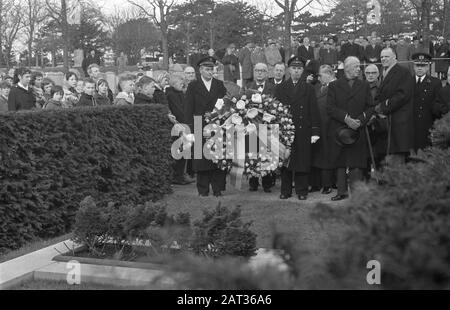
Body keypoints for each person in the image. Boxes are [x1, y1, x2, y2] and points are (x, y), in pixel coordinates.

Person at [326, 57, 375, 201]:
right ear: (347, 68)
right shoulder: (334, 86)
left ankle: (357, 193)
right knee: (340, 161)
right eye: (356, 67)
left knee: (357, 162)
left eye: (359, 67)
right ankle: (341, 191)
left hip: (358, 129)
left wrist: (360, 120)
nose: (359, 69)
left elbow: (371, 107)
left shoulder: (364, 85)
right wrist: (346, 118)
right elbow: (330, 108)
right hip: (339, 128)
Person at [275, 56, 321, 201]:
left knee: (302, 161)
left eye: (299, 68)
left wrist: (315, 131)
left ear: (302, 71)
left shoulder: (309, 88)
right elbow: (275, 110)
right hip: (285, 129)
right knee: (285, 161)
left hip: (303, 130)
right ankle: (285, 190)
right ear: (289, 70)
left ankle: (302, 190)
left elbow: (313, 110)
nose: (296, 71)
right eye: (294, 68)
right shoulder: (280, 88)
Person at [185, 56, 227, 197]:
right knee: (201, 159)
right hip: (199, 124)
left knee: (217, 157)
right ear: (200, 70)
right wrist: (189, 129)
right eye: (207, 69)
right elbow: (188, 108)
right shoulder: (193, 86)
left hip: (217, 124)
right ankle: (203, 189)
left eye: (212, 69)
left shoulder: (219, 85)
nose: (210, 72)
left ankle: (217, 188)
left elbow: (225, 105)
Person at [374, 47, 414, 165]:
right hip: (388, 125)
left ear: (394, 57)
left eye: (386, 56)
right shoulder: (384, 72)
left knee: (397, 163)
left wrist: (382, 107)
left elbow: (402, 95)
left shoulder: (403, 72)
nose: (383, 59)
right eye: (381, 57)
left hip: (398, 123)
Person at [244, 63, 276, 193]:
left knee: (267, 154)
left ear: (267, 73)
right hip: (251, 127)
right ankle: (253, 182)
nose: (259, 73)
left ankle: (267, 183)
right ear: (254, 72)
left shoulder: (273, 88)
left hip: (267, 126)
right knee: (252, 153)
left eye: (262, 71)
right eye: (257, 70)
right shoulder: (248, 87)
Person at [411, 53, 448, 151]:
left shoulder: (435, 83)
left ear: (428, 67)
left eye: (423, 66)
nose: (420, 68)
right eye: (417, 65)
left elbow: (437, 105)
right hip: (410, 126)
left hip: (427, 126)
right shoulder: (407, 82)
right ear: (413, 66)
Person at [309, 65, 336, 195]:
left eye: (320, 75)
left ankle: (328, 184)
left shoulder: (336, 87)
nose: (318, 78)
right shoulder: (317, 88)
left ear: (329, 74)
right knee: (316, 154)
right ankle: (315, 183)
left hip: (330, 126)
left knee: (327, 156)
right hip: (317, 125)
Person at [166, 74, 194, 185]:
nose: (182, 84)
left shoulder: (179, 93)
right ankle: (179, 176)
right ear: (173, 84)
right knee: (180, 151)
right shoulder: (171, 95)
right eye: (180, 82)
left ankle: (182, 174)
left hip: (184, 124)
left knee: (185, 151)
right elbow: (178, 111)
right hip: (180, 126)